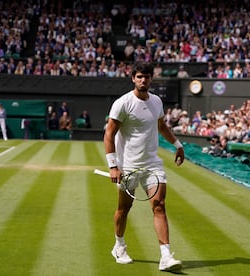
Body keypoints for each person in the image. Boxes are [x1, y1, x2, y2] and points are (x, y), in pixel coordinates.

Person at [104, 62, 185, 272]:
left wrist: (178, 145)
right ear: (133, 78)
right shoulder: (122, 103)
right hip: (128, 166)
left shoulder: (156, 101)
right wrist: (113, 166)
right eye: (139, 76)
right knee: (124, 209)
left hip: (152, 165)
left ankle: (166, 256)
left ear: (151, 79)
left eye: (147, 76)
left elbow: (161, 126)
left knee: (159, 205)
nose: (143, 80)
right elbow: (109, 134)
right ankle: (119, 246)